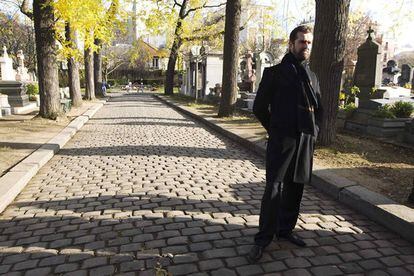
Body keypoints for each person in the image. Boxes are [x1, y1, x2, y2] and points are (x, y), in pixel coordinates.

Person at [248, 25, 323, 262]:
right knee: (275, 188)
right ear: (291, 44)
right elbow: (259, 107)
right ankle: (263, 238)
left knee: (296, 187)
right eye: (302, 41)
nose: (306, 46)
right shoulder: (275, 73)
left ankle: (286, 230)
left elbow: (319, 109)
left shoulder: (312, 76)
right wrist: (276, 130)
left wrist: (315, 132)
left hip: (305, 140)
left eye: (309, 42)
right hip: (283, 140)